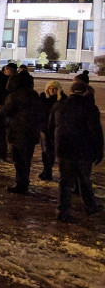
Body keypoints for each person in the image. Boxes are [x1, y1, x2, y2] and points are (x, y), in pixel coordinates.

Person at [48, 81, 103, 223]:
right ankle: (90, 207)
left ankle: (62, 211)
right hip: (83, 151)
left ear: (71, 91)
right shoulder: (90, 108)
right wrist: (98, 151)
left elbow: (51, 127)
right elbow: (95, 132)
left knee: (65, 181)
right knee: (84, 179)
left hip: (63, 150)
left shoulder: (59, 105)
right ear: (85, 92)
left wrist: (56, 145)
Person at [0, 70, 42, 194]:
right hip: (31, 132)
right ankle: (23, 183)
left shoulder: (14, 96)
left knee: (19, 160)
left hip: (17, 132)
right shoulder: (33, 94)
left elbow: (6, 110)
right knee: (26, 160)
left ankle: (21, 184)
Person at [38, 80, 66, 181]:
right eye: (50, 88)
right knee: (45, 150)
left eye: (54, 88)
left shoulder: (63, 99)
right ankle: (47, 170)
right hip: (44, 128)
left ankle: (48, 170)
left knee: (53, 151)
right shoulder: (42, 97)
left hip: (56, 129)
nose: (52, 90)